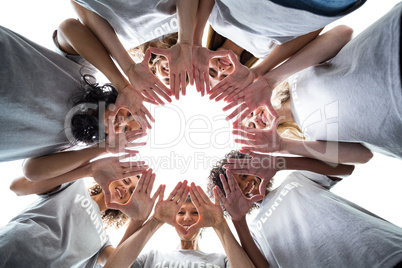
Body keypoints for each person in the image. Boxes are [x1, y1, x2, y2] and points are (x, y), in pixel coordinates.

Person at [223, 4, 402, 161]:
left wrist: (270, 80)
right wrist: (282, 146)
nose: (256, 119)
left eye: (249, 114)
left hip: (390, 44)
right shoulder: (308, 139)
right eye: (253, 127)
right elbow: (363, 155)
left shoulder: (293, 76)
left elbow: (342, 33)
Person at [207, 151, 402, 267]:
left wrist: (279, 163)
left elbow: (344, 167)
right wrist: (238, 221)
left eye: (243, 176)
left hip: (385, 250)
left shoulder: (296, 179)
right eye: (237, 188)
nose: (247, 184)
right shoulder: (254, 231)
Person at [0, 24, 152, 163]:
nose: (121, 121)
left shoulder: (66, 142)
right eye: (130, 115)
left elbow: (32, 173)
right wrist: (122, 85)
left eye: (125, 129)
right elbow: (68, 29)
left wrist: (103, 149)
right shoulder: (83, 73)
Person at [0, 156, 162, 267]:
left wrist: (138, 221)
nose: (125, 188)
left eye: (132, 192)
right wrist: (90, 169)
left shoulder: (102, 241)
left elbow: (117, 265)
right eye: (126, 180)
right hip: (8, 248)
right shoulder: (73, 184)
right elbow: (18, 187)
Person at [191, 0, 365, 97]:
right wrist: (259, 71)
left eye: (212, 72)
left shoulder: (215, 22)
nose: (221, 70)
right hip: (314, 5)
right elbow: (313, 30)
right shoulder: (265, 54)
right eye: (225, 77)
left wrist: (193, 43)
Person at [103, 181, 256, 268]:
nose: (187, 218)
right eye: (181, 213)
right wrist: (155, 220)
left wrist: (220, 224)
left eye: (195, 213)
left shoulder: (221, 260)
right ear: (173, 220)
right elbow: (113, 267)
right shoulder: (151, 257)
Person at [70, 0, 198, 101]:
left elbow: (82, 5)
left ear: (154, 74)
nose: (173, 74)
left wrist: (128, 68)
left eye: (167, 80)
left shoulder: (123, 44)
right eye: (182, 74)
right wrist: (186, 42)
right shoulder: (187, 23)